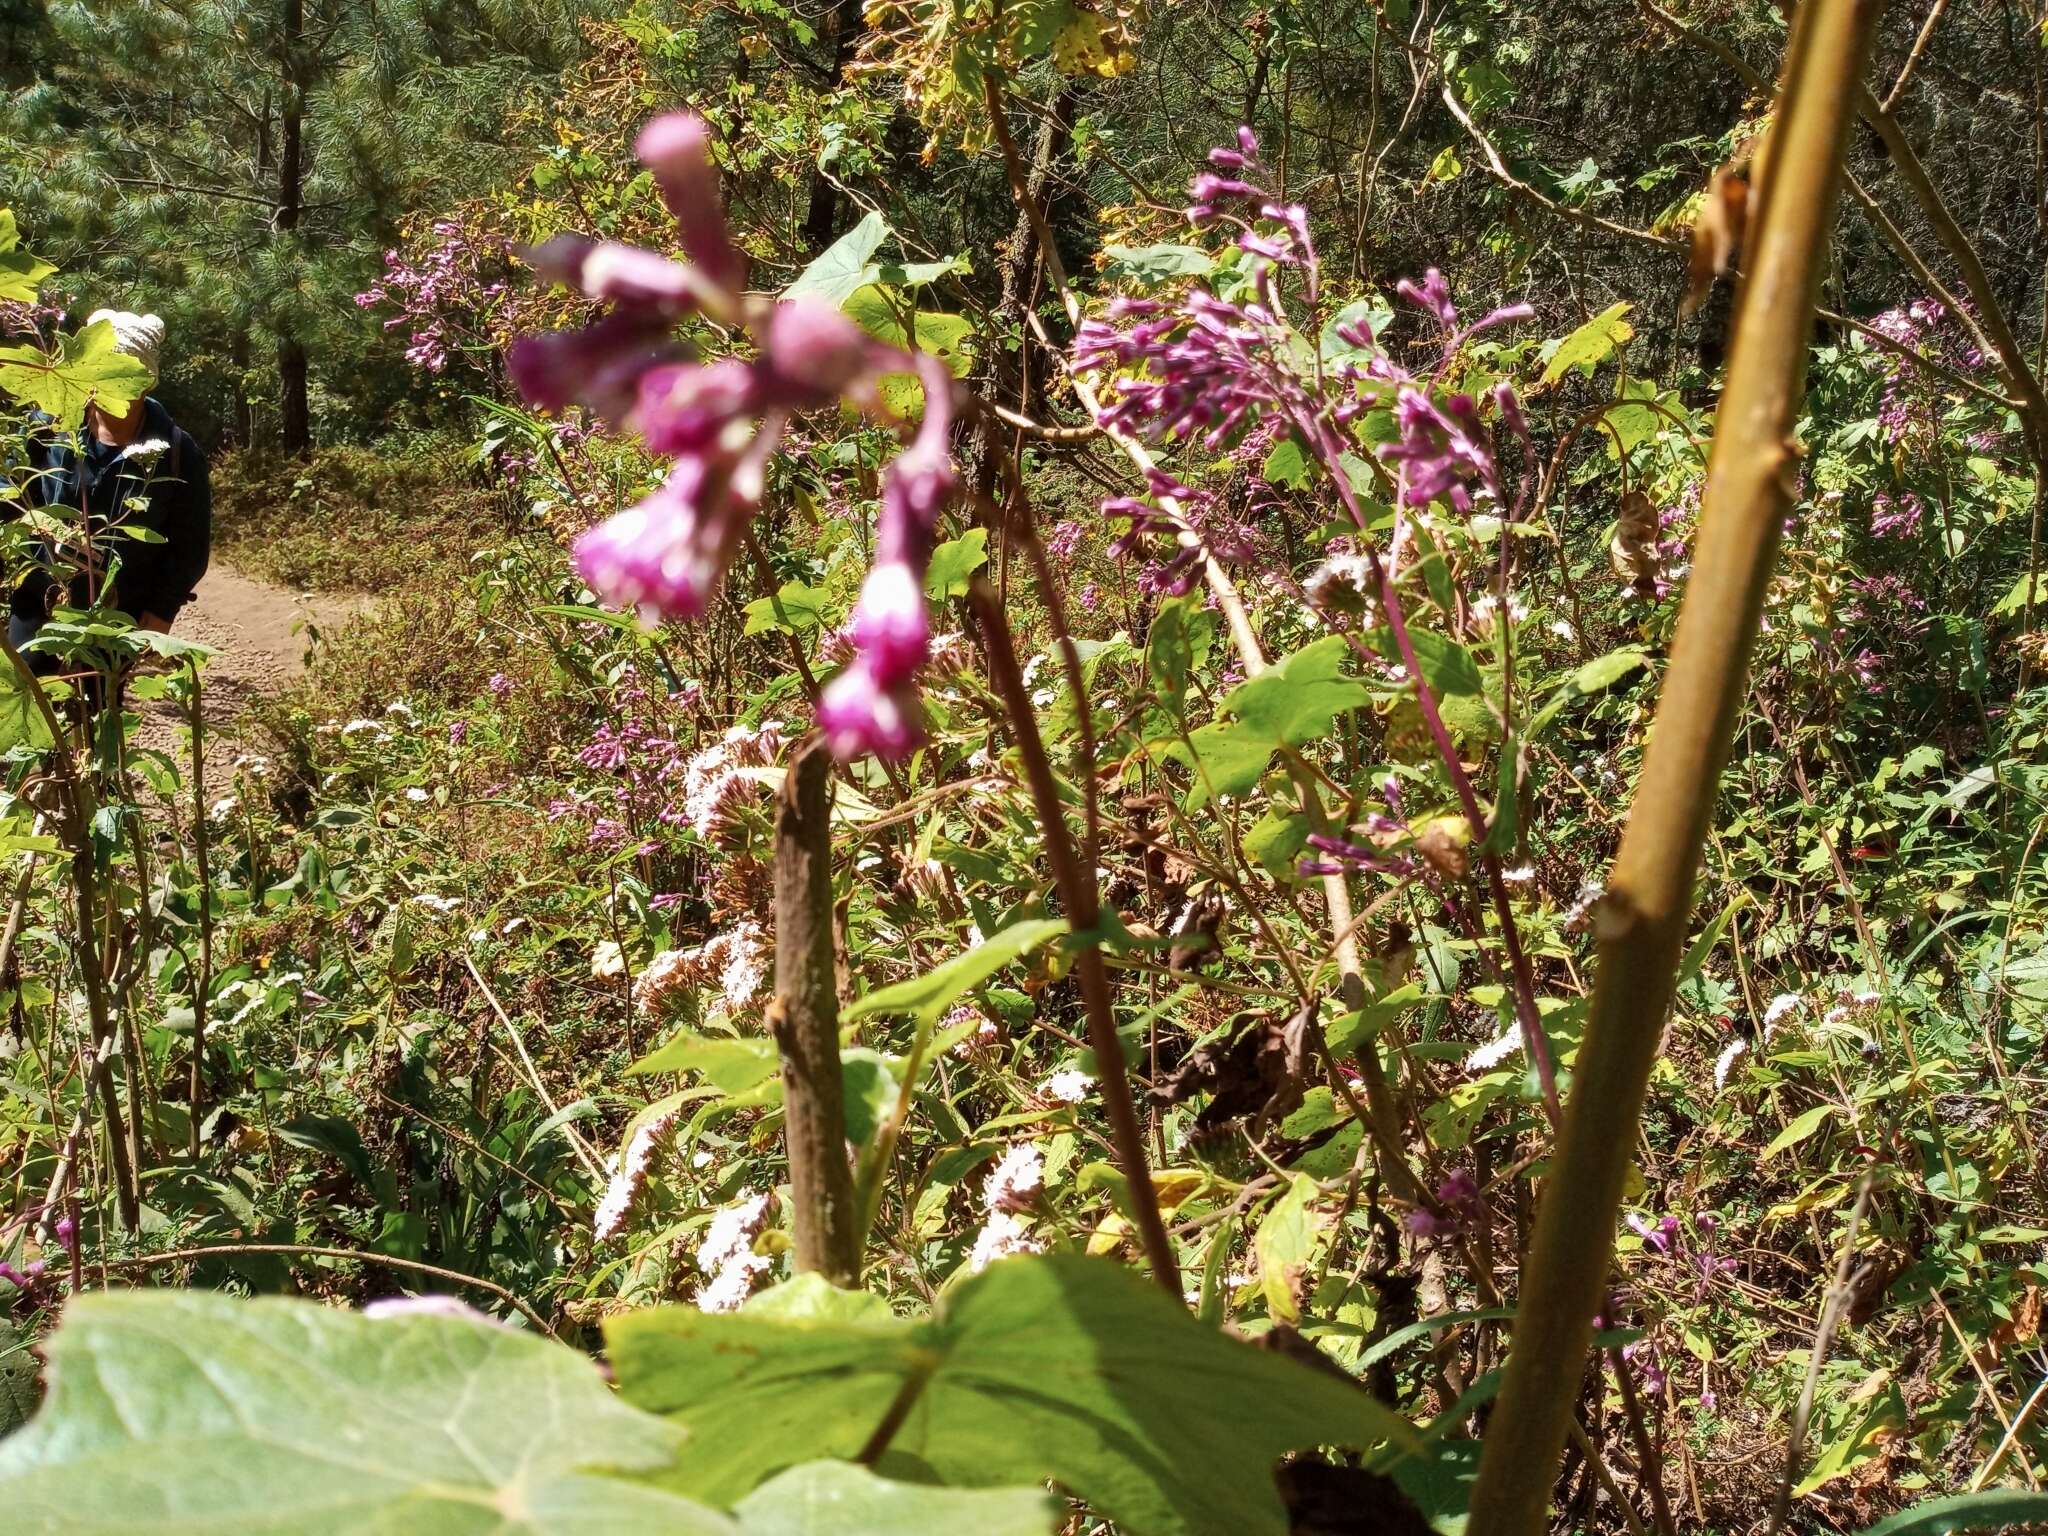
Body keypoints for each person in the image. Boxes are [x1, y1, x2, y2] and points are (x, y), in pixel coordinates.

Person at [10, 309, 211, 670]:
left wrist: (162, 610)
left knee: (98, 708)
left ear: (145, 379)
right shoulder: (49, 427)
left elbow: (190, 546)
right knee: (29, 695)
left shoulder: (177, 452)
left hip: (118, 610)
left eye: (119, 373)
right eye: (96, 368)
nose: (102, 382)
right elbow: (10, 488)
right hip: (40, 599)